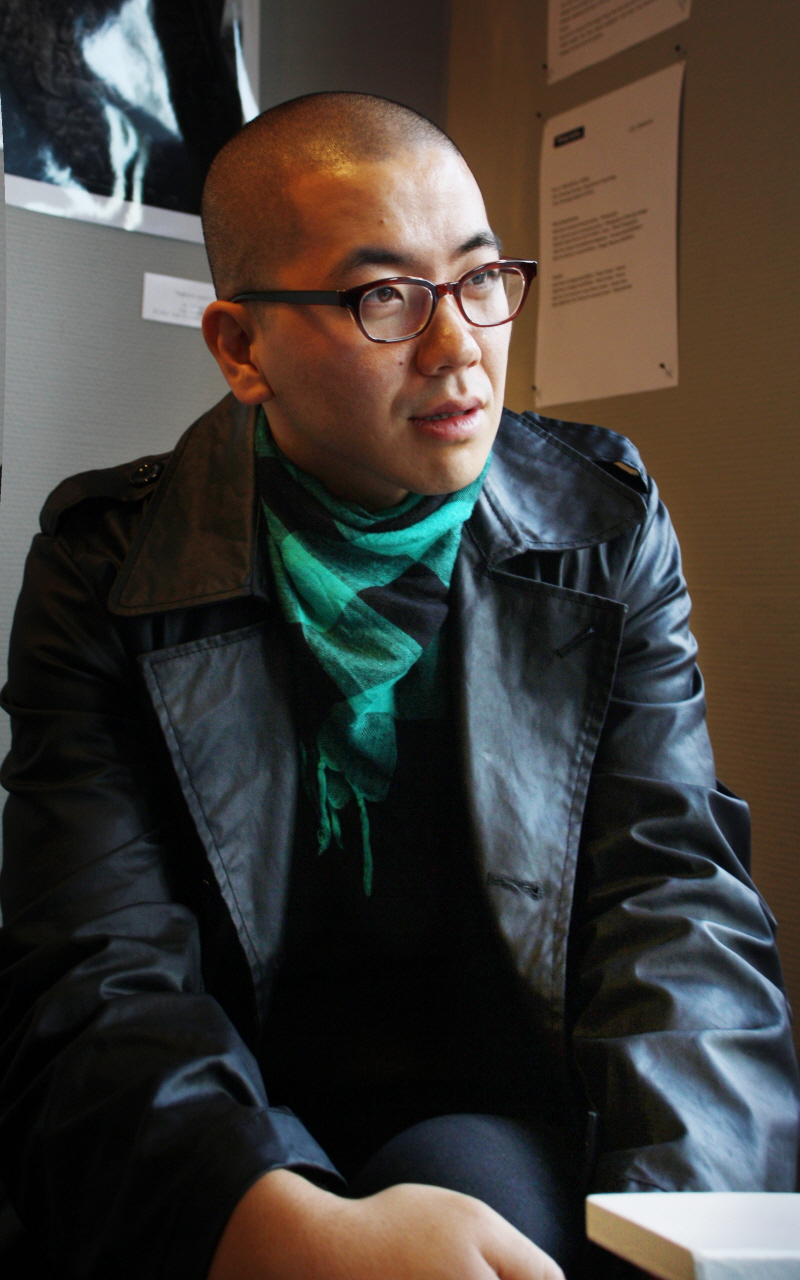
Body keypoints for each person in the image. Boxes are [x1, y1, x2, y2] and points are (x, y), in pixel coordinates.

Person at [0, 91, 797, 1280]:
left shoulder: (600, 525)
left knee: (472, 1175)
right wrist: (267, 1213)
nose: (458, 345)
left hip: (508, 1111)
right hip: (227, 1117)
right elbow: (96, 954)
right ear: (240, 348)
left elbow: (668, 894)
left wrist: (682, 1231)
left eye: (479, 280)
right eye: (385, 298)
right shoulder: (108, 564)